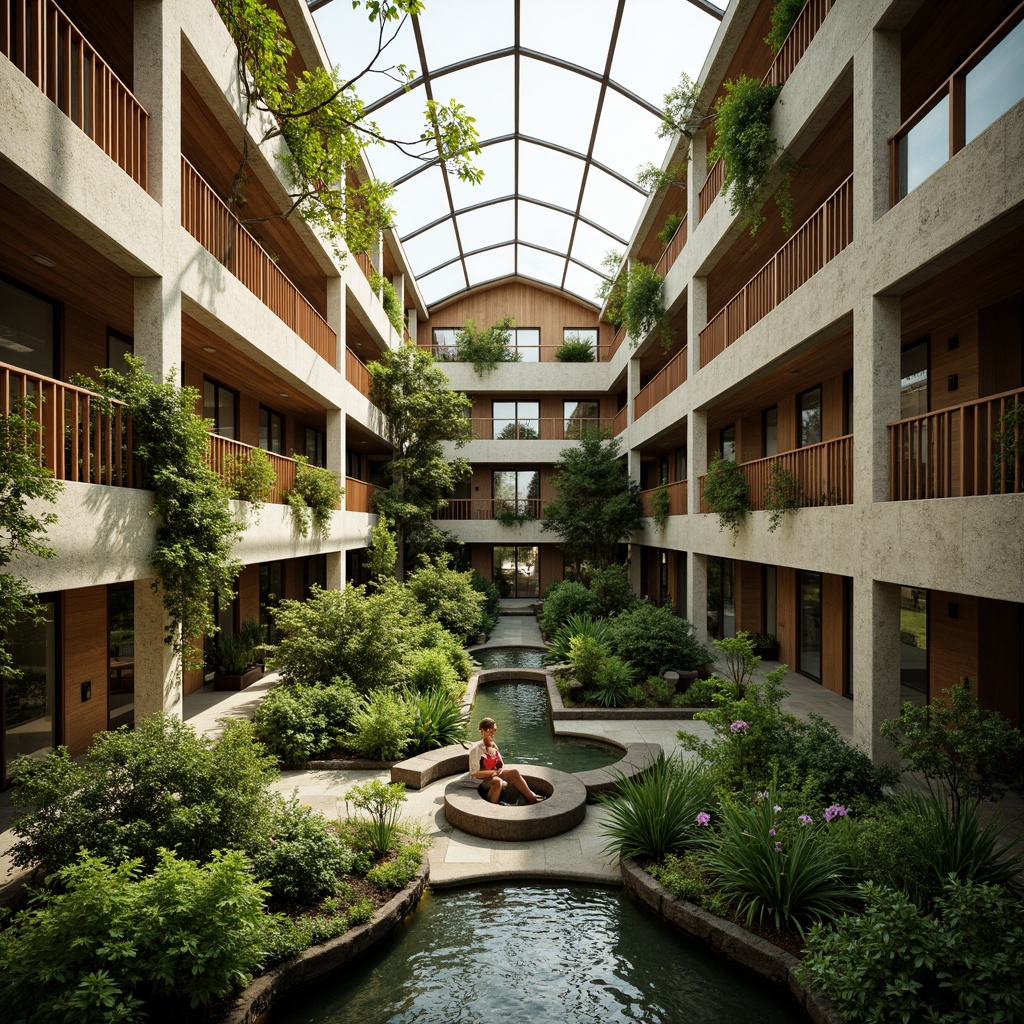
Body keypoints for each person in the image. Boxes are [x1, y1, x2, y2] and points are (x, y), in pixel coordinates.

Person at [467, 717, 544, 804]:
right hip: (483, 779)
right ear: (482, 731)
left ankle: (531, 798)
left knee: (514, 772)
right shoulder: (476, 749)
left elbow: (501, 764)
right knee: (497, 781)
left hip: (495, 773)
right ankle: (490, 806)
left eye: (494, 730)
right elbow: (474, 773)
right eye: (489, 730)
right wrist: (494, 772)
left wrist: (500, 769)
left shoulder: (493, 746)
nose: (492, 733)